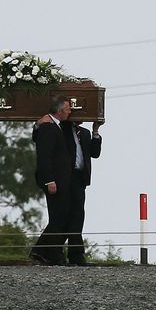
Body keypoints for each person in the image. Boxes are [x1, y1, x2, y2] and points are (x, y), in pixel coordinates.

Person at [30, 96, 74, 266]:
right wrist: (49, 180)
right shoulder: (48, 127)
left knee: (60, 216)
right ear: (59, 111)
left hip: (61, 179)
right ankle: (49, 253)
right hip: (55, 180)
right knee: (58, 217)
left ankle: (44, 251)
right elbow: (44, 156)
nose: (70, 111)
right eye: (68, 109)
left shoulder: (54, 126)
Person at [63, 117, 102, 266]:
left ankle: (76, 255)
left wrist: (95, 132)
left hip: (79, 178)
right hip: (65, 177)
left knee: (78, 215)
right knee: (63, 216)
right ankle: (55, 251)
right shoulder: (62, 130)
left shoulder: (84, 133)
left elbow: (94, 153)